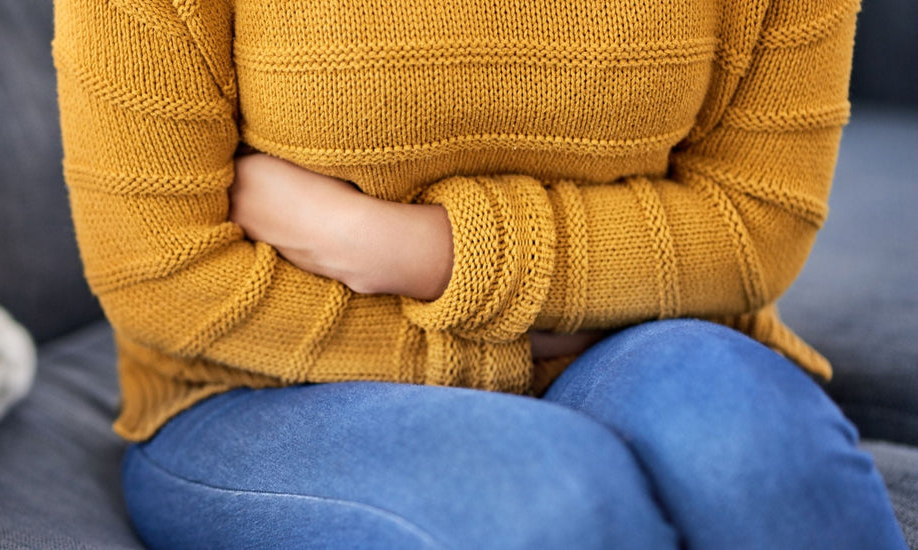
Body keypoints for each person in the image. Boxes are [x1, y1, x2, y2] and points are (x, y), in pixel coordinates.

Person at [53, 0, 907, 547]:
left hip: (633, 342)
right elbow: (161, 273)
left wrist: (402, 249)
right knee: (552, 503)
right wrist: (518, 342)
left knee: (761, 450)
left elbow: (754, 222)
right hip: (261, 388)